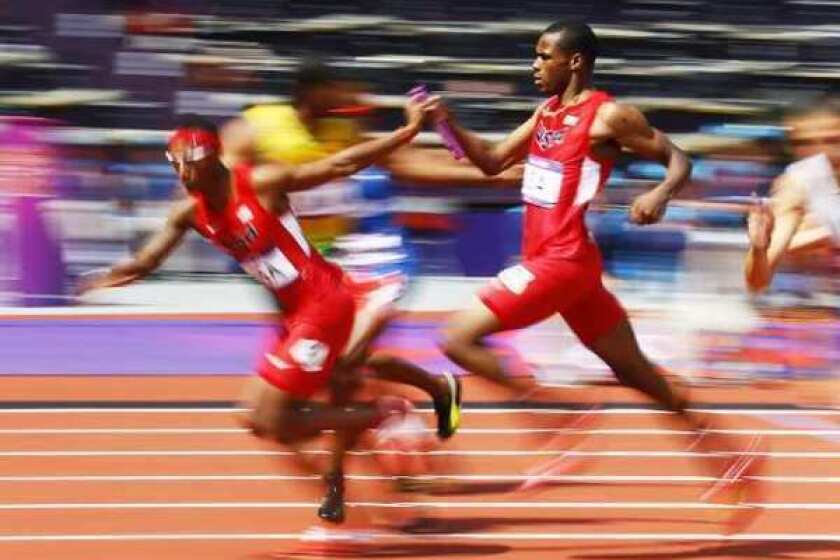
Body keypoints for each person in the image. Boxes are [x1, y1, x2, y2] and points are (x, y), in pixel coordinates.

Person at [427, 21, 763, 530]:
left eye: (543, 56)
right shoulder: (546, 113)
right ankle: (731, 458)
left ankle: (559, 415)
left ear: (575, 61)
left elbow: (679, 158)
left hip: (558, 263)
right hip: (569, 270)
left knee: (456, 337)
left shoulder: (608, 116)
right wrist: (447, 122)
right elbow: (492, 162)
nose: (534, 65)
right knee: (639, 375)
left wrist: (658, 194)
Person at [78, 96, 455, 526]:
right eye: (174, 164)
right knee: (255, 420)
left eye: (191, 163)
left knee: (277, 418)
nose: (182, 174)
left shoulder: (261, 184)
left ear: (214, 155)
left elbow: (340, 166)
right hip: (292, 318)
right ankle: (358, 444)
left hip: (324, 304)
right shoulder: (189, 212)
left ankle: (385, 414)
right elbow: (145, 262)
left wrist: (405, 133)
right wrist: (99, 279)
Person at [745, 98, 840, 293]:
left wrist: (823, 236)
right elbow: (757, 282)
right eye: (803, 143)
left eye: (833, 139)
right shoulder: (797, 183)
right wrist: (759, 249)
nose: (820, 151)